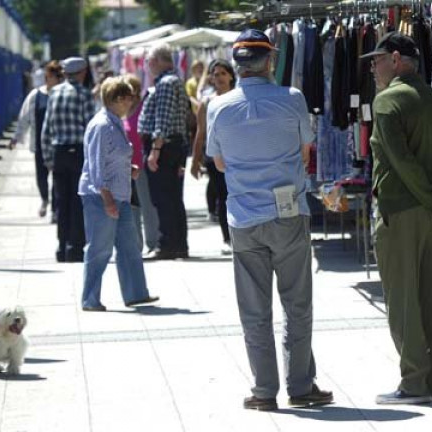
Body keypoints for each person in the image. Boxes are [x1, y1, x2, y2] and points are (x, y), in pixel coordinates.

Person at [207, 29, 333, 411]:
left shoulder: (218, 106)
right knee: (297, 304)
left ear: (237, 63)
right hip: (288, 212)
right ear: (270, 60)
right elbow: (305, 148)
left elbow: (219, 161)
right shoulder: (292, 99)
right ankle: (300, 385)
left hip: (245, 217)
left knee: (253, 309)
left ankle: (264, 391)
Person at [366, 32, 432, 404]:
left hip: (402, 211)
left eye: (376, 60)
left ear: (396, 59)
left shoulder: (386, 102)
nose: (373, 67)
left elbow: (401, 162)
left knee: (403, 300)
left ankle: (413, 384)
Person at [79, 77, 160, 312]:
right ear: (117, 99)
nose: (132, 102)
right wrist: (106, 199)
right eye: (129, 97)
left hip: (120, 195)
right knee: (99, 248)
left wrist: (129, 169)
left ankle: (136, 293)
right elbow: (96, 165)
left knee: (129, 246)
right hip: (102, 197)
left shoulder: (115, 122)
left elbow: (114, 157)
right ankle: (90, 298)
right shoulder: (102, 126)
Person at [138, 45, 191, 260]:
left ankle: (167, 244)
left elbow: (163, 119)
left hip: (165, 146)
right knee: (172, 198)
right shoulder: (169, 82)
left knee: (164, 198)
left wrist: (155, 150)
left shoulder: (167, 83)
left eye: (149, 61)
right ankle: (177, 244)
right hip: (172, 146)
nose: (147, 66)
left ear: (160, 60)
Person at [41, 57, 94, 263]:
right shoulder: (83, 94)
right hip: (78, 151)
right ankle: (75, 247)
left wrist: (48, 157)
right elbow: (90, 128)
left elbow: (47, 127)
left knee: (61, 202)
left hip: (58, 151)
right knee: (78, 201)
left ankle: (61, 247)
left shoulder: (54, 93)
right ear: (81, 72)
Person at [191, 59, 236, 255]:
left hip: (238, 155)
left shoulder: (238, 98)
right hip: (215, 159)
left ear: (231, 76)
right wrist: (195, 161)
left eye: (222, 74)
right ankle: (228, 238)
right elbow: (200, 134)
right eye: (215, 74)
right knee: (224, 198)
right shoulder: (207, 102)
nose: (219, 78)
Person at [11, 60, 64, 219]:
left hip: (57, 143)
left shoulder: (61, 94)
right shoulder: (36, 95)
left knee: (57, 177)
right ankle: (45, 200)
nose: (56, 80)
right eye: (53, 76)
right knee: (41, 176)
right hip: (39, 143)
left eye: (58, 77)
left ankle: (55, 209)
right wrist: (16, 137)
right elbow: (25, 117)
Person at [122, 74, 159, 253]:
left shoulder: (142, 108)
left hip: (141, 165)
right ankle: (136, 245)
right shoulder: (122, 111)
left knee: (147, 206)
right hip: (125, 167)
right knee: (132, 207)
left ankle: (153, 243)